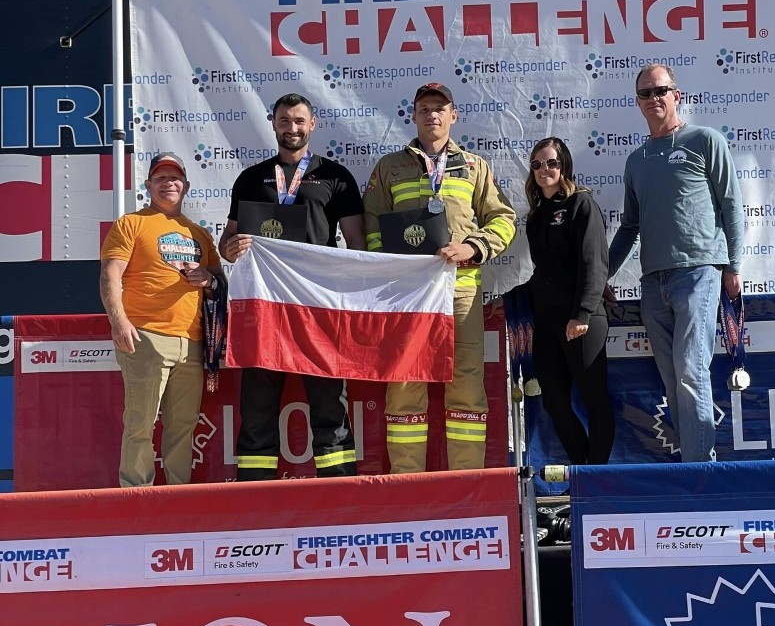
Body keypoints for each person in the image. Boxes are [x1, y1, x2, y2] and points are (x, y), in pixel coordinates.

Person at [363, 82, 516, 473]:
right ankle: (407, 483)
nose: (432, 114)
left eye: (439, 108)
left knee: (465, 382)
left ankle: (466, 481)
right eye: (424, 108)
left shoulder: (475, 165)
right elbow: (372, 223)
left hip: (460, 290)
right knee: (404, 380)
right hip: (407, 294)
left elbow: (504, 219)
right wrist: (390, 263)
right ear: (414, 116)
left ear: (453, 116)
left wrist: (473, 247)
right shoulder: (389, 167)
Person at [219, 93, 366, 481]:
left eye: (299, 121)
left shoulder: (336, 177)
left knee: (329, 404)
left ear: (313, 124)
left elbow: (358, 245)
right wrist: (230, 248)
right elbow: (227, 243)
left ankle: (340, 492)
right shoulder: (251, 178)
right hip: (265, 310)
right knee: (257, 404)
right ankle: (255, 495)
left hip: (317, 307)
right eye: (285, 121)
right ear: (273, 123)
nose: (292, 128)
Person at [608, 63, 744, 462]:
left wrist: (733, 266)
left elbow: (731, 206)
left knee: (690, 372)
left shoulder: (705, 140)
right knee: (674, 381)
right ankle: (695, 468)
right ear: (637, 102)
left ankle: (700, 472)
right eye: (646, 93)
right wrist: (602, 276)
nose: (654, 99)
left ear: (676, 94)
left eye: (660, 90)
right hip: (653, 282)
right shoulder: (636, 160)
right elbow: (629, 227)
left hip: (700, 272)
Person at [100, 151, 222, 487]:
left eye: (175, 178)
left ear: (186, 186)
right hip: (146, 335)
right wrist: (119, 321)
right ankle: (136, 496)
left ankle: (177, 494)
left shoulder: (200, 233)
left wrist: (208, 280)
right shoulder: (131, 223)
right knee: (141, 422)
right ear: (148, 185)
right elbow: (110, 275)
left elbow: (219, 285)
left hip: (194, 341)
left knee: (183, 425)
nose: (169, 183)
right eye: (161, 178)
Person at [501, 138, 613, 464]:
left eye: (550, 163)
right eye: (536, 165)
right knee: (553, 401)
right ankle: (584, 469)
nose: (543, 170)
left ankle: (597, 477)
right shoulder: (536, 217)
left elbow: (594, 264)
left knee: (595, 400)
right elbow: (544, 274)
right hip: (547, 322)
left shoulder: (582, 204)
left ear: (564, 165)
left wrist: (582, 313)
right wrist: (509, 299)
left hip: (582, 321)